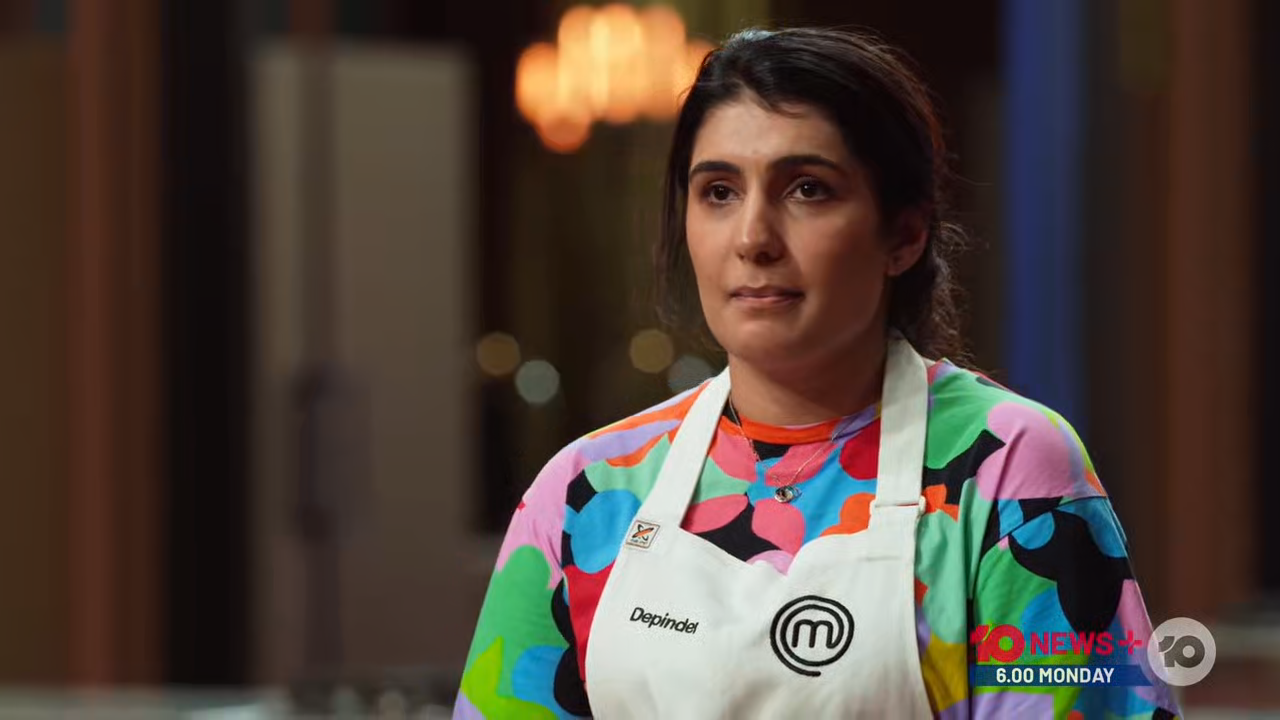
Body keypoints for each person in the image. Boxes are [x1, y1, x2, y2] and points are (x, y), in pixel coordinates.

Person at [454, 27, 1182, 719]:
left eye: (807, 189)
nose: (753, 238)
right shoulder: (588, 492)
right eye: (719, 192)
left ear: (904, 234)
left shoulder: (1007, 472)